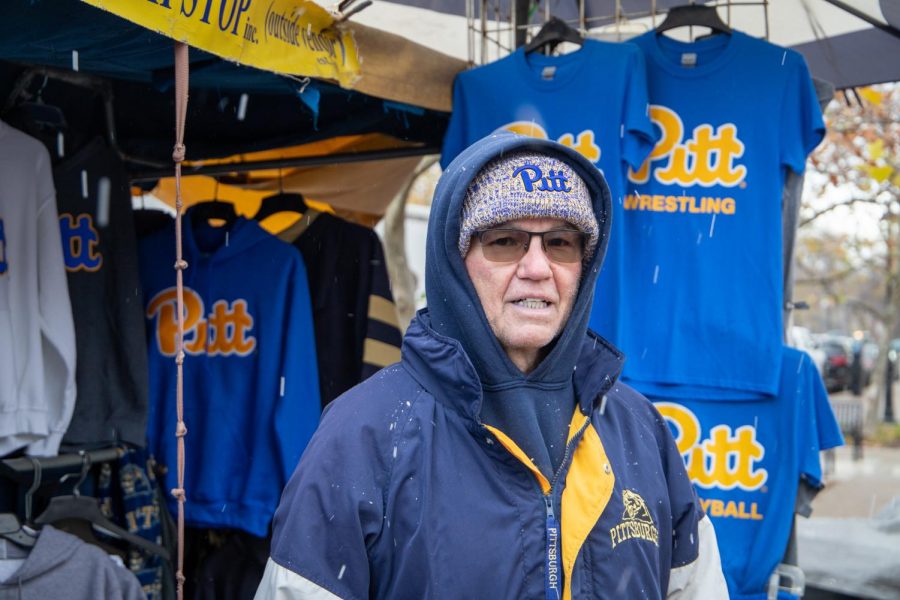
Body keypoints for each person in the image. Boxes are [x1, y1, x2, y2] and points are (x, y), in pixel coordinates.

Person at [255, 133, 727, 599]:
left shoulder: (639, 429)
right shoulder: (363, 434)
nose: (538, 267)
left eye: (560, 242)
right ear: (454, 261)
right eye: (505, 241)